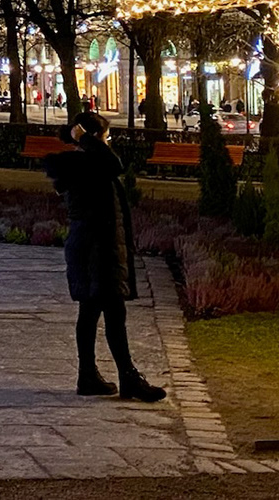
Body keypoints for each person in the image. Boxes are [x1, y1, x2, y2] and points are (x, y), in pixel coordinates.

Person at [44, 110, 167, 402]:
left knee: (94, 311)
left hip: (95, 246)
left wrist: (87, 141)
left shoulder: (88, 163)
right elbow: (114, 164)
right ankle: (126, 377)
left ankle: (92, 376)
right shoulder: (87, 163)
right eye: (106, 137)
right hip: (96, 248)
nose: (108, 143)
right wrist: (86, 139)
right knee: (111, 311)